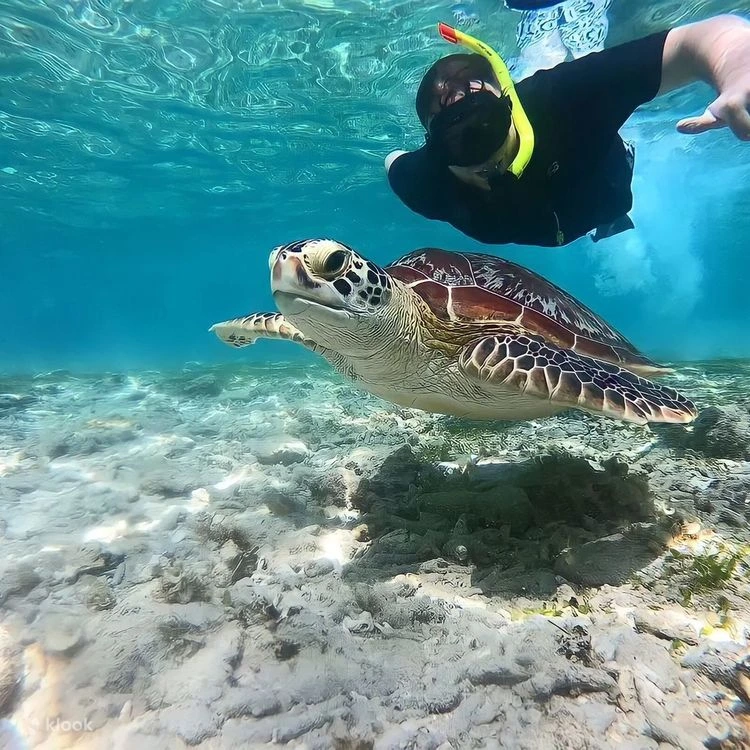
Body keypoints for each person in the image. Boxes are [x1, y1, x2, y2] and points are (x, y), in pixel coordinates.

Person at [385, 14, 750, 248]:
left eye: (487, 125)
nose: (484, 154)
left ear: (510, 106)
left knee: (616, 205)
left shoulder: (565, 98)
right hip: (538, 227)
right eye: (459, 142)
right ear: (435, 150)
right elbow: (393, 162)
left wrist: (736, 71)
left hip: (603, 184)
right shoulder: (425, 180)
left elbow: (702, 37)